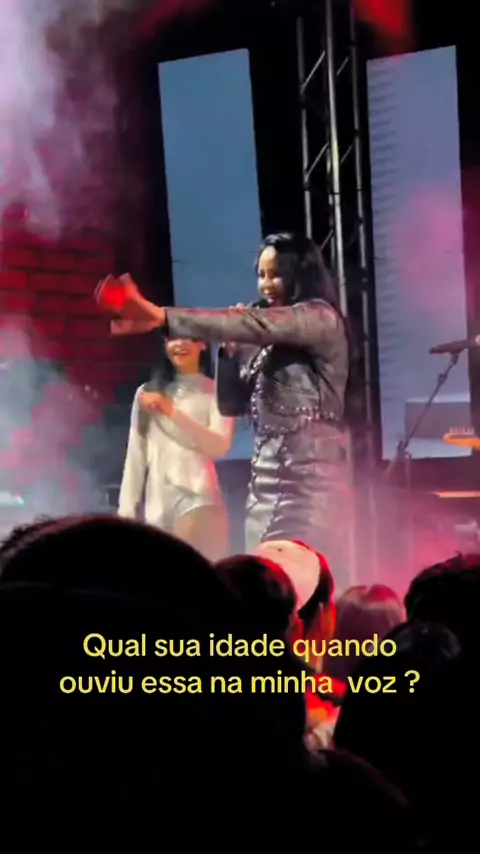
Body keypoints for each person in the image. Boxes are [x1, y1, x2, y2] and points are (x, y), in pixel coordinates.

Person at [95, 233, 352, 583]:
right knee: (263, 590)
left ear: (300, 273)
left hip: (310, 486)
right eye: (261, 275)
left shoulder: (320, 317)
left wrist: (160, 316)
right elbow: (231, 405)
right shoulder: (268, 341)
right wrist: (231, 352)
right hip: (263, 486)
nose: (266, 285)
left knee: (299, 586)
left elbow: (254, 324)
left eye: (276, 274)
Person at [118, 334, 234, 561]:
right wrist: (126, 510)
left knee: (187, 573)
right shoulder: (147, 392)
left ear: (202, 343)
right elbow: (136, 454)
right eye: (172, 339)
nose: (179, 345)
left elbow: (220, 446)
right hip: (157, 506)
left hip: (197, 499)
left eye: (186, 338)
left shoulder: (215, 392)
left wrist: (171, 411)